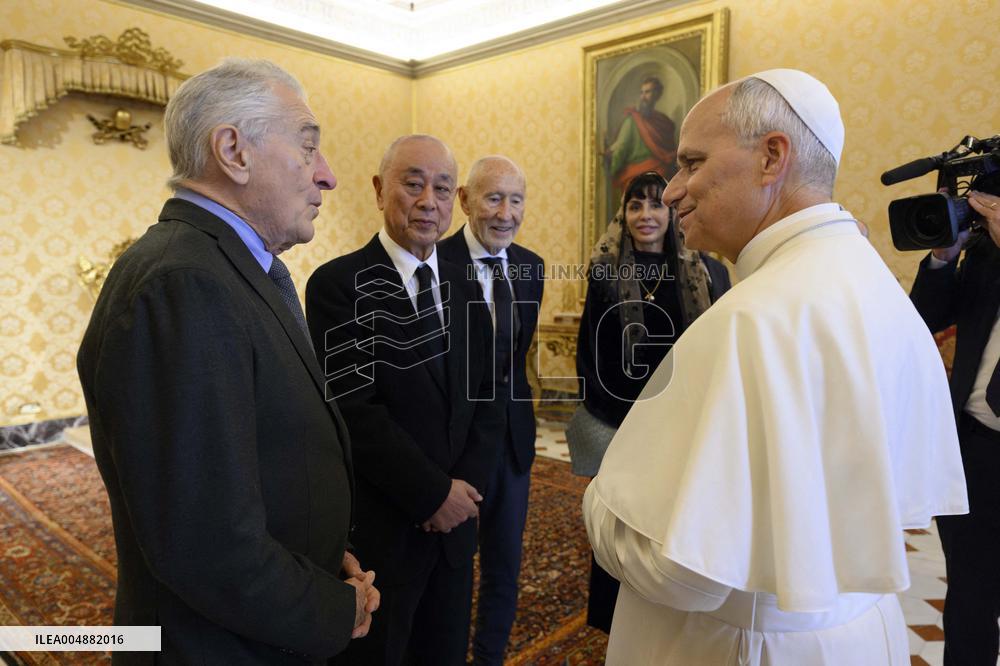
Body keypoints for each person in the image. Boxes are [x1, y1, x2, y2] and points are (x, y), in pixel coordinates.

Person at [582, 68, 969, 664]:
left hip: (747, 645)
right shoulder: (875, 282)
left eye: (692, 162)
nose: (672, 190)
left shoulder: (753, 319)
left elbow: (680, 570)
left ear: (771, 157)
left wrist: (599, 501)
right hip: (859, 634)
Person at [76, 59, 377, 664]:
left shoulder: (226, 270)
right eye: (308, 146)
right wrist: (332, 609)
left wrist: (319, 554)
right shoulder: (184, 284)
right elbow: (203, 538)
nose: (328, 175)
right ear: (234, 151)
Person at [306, 134, 505, 666]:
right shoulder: (338, 285)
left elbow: (487, 400)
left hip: (456, 531)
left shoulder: (469, 284)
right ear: (379, 190)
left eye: (442, 188)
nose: (428, 201)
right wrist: (430, 495)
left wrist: (462, 497)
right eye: (412, 184)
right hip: (384, 534)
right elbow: (355, 412)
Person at [573, 170, 730, 633]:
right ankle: (614, 623)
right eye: (635, 206)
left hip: (688, 429)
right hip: (624, 430)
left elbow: (719, 350)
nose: (645, 215)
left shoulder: (709, 270)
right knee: (623, 526)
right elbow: (590, 359)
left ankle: (675, 618)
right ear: (624, 214)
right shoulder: (605, 272)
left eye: (655, 204)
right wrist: (631, 429)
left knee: (679, 528)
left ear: (671, 211)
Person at [436, 155, 543, 665]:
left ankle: (490, 656)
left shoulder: (531, 267)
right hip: (453, 449)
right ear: (465, 200)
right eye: (493, 197)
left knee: (505, 564)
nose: (505, 213)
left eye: (515, 199)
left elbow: (517, 356)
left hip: (513, 445)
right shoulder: (432, 262)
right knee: (450, 567)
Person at [910, 183, 1000, 665]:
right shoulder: (987, 250)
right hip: (974, 443)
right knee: (970, 595)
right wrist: (944, 257)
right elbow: (927, 316)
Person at [605, 76, 678, 198]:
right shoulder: (633, 119)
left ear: (657, 95)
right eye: (642, 92)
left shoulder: (664, 122)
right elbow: (621, 147)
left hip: (659, 176)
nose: (643, 97)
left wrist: (612, 166)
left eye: (648, 92)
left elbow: (621, 149)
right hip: (635, 177)